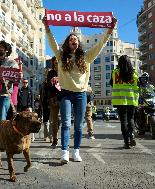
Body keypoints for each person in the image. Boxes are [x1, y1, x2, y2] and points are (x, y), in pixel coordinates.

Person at [44, 17, 116, 163]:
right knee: (65, 123)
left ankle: (76, 151)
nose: (73, 40)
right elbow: (52, 42)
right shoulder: (61, 56)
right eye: (70, 38)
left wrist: (110, 29)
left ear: (78, 42)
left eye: (75, 38)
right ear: (67, 42)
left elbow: (101, 43)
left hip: (81, 95)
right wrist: (47, 26)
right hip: (65, 94)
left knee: (78, 125)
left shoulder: (87, 56)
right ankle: (65, 152)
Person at [111, 55, 139, 149]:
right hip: (131, 100)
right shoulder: (134, 73)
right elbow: (138, 86)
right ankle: (131, 135)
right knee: (131, 119)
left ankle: (126, 143)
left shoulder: (115, 73)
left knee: (123, 121)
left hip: (119, 100)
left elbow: (111, 83)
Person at [47, 56, 60, 147]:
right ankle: (55, 139)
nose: (57, 63)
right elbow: (48, 86)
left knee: (65, 120)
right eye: (55, 62)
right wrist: (51, 81)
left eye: (58, 61)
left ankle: (64, 139)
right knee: (54, 120)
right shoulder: (51, 72)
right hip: (53, 98)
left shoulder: (65, 71)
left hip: (64, 97)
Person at [39, 73, 50, 142]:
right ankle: (46, 136)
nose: (46, 77)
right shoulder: (42, 85)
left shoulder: (53, 83)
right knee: (45, 121)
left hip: (52, 103)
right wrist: (41, 104)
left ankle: (52, 136)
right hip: (45, 104)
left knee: (52, 121)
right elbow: (40, 94)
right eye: (45, 75)